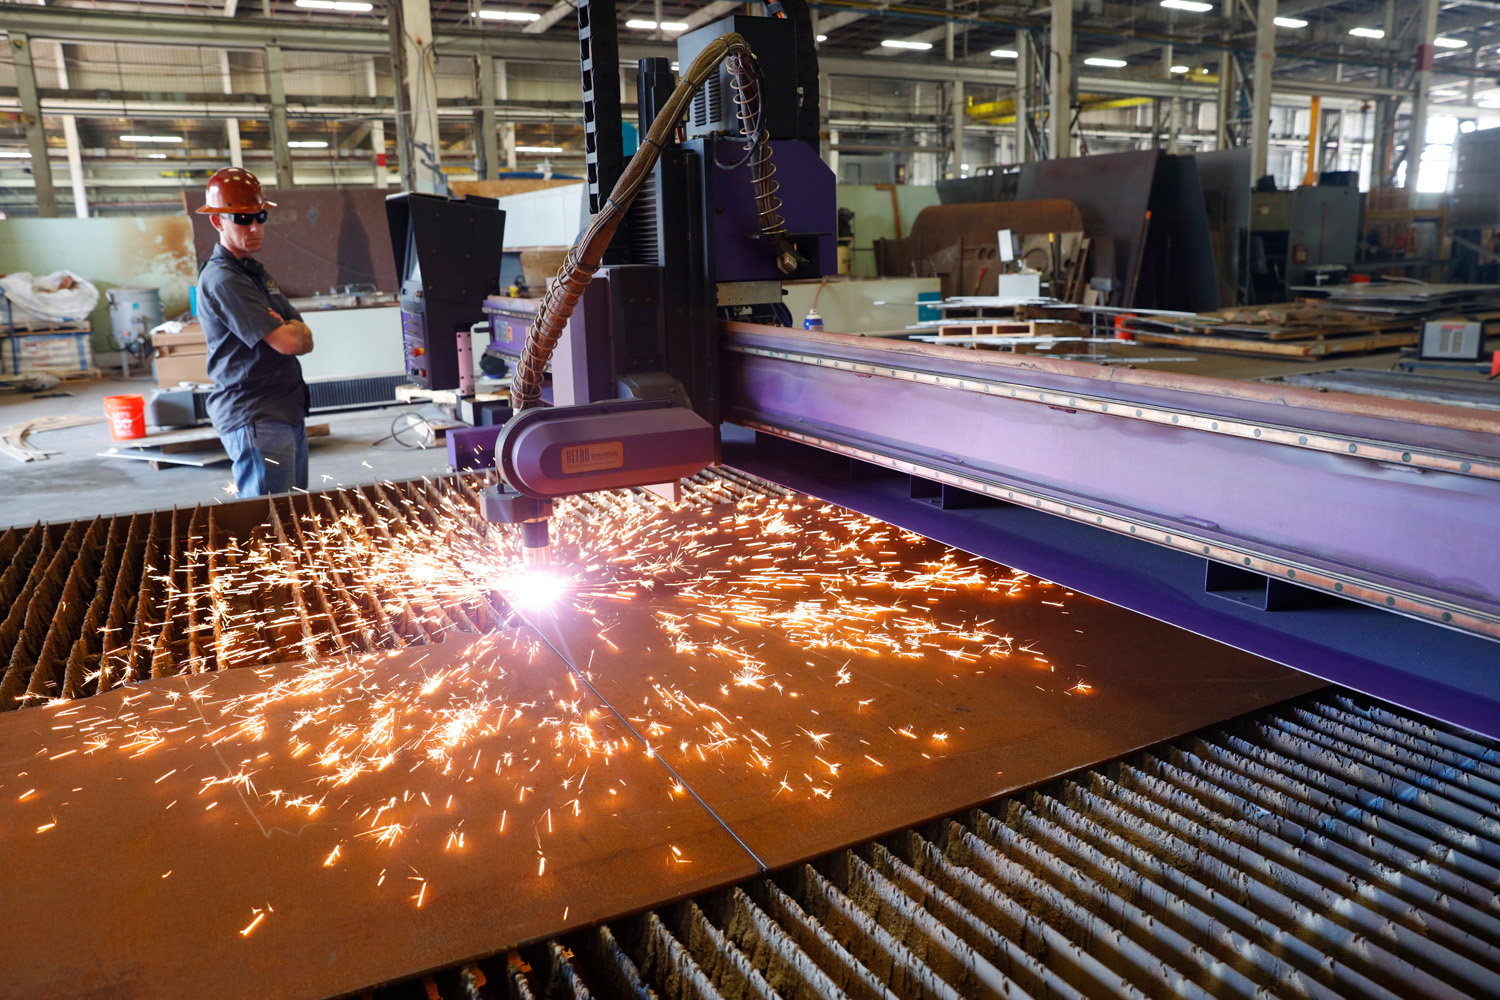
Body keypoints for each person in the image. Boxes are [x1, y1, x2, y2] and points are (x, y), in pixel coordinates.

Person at [194, 167, 315, 497]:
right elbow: (291, 341)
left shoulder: (255, 273)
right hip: (257, 415)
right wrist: (291, 329)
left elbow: (306, 337)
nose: (256, 227)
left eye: (260, 217)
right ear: (218, 221)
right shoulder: (225, 280)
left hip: (284, 409)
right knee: (269, 528)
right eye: (244, 220)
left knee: (293, 518)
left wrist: (292, 328)